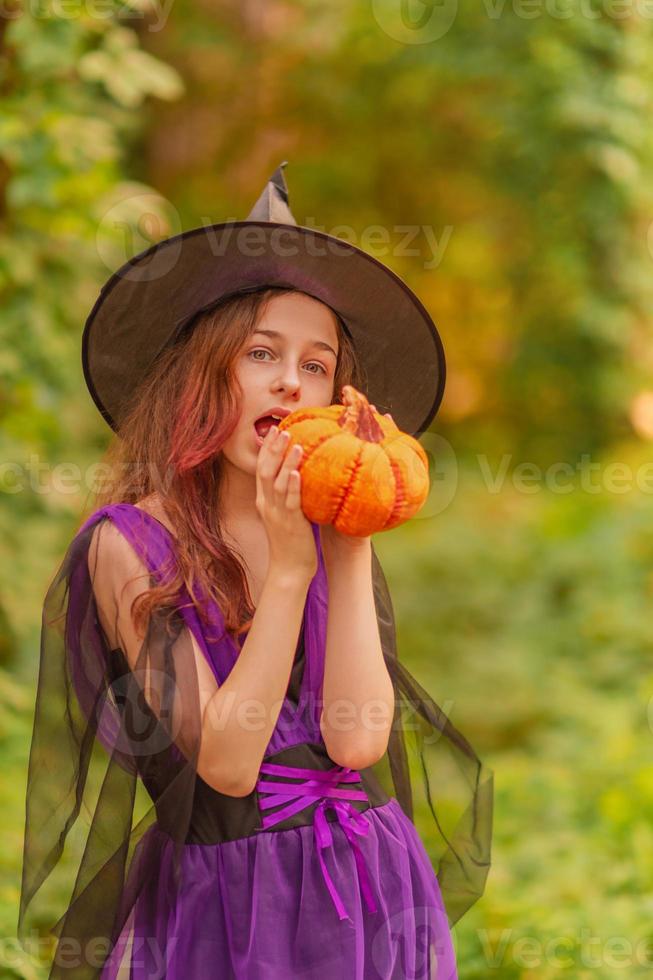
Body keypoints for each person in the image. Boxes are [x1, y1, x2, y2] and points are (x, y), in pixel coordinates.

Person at [18, 164, 493, 979]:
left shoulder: (323, 524)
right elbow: (229, 764)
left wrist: (346, 549)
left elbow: (356, 737)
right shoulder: (128, 545)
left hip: (368, 878)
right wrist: (284, 577)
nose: (287, 379)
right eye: (259, 353)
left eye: (315, 365)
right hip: (234, 900)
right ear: (201, 374)